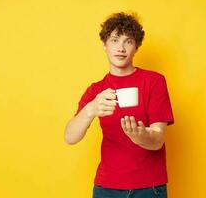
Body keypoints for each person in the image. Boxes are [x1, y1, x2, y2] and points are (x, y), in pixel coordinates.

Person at [64, 12, 174, 198]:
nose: (121, 48)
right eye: (115, 40)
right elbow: (70, 137)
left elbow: (158, 140)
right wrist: (90, 110)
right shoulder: (96, 91)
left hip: (149, 188)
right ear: (104, 45)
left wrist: (140, 137)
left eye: (128, 41)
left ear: (136, 47)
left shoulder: (154, 81)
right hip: (106, 188)